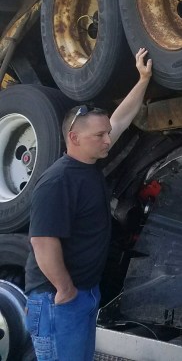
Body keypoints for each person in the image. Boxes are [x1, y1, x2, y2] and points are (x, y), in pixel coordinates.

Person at [24, 48, 153, 361]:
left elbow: (121, 117)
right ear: (74, 138)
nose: (108, 140)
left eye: (107, 134)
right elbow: (42, 242)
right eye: (100, 135)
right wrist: (65, 289)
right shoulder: (57, 182)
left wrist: (144, 79)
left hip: (80, 293)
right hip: (57, 298)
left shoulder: (89, 164)